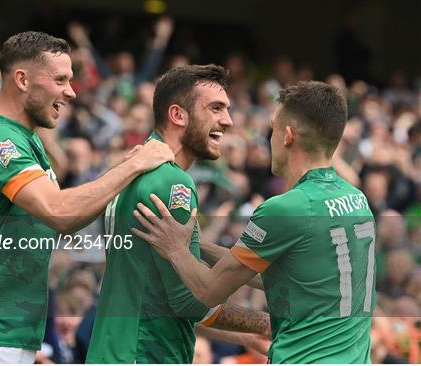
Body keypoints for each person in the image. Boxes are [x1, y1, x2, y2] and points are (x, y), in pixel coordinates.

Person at [0, 31, 174, 364]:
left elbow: (65, 219)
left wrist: (125, 172)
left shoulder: (26, 140)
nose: (71, 91)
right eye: (60, 79)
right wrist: (133, 164)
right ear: (22, 79)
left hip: (7, 329)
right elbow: (59, 212)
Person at [132, 81, 377, 363]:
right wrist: (200, 245)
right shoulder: (357, 200)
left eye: (272, 128)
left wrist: (175, 249)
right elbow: (295, 278)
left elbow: (208, 290)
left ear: (287, 136)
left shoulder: (287, 209)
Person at [86, 65, 270, 364]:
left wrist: (248, 329)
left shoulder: (134, 168)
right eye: (215, 108)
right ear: (178, 115)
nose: (228, 121)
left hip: (114, 350)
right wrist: (267, 324)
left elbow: (158, 282)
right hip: (145, 355)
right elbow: (190, 301)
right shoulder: (173, 182)